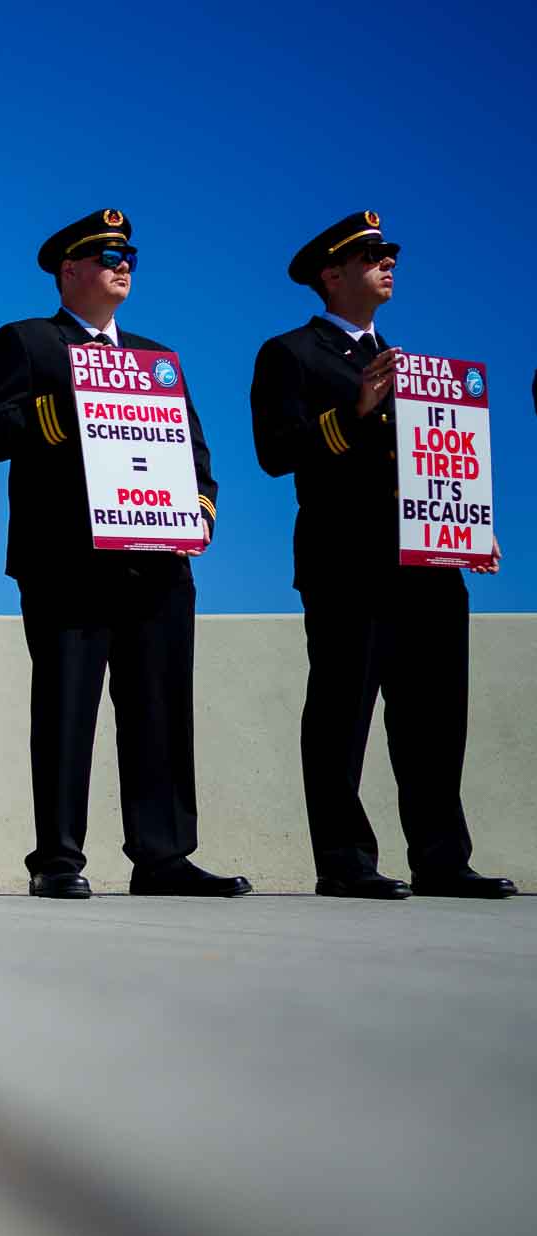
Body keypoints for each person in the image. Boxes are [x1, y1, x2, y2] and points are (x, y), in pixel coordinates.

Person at [0, 209, 246, 900]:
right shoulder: (30, 341)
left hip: (156, 562)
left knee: (160, 711)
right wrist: (64, 410)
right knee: (67, 711)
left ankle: (164, 857)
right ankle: (58, 860)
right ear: (69, 270)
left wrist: (198, 512)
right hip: (67, 561)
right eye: (107, 254)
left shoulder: (155, 359)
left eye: (129, 256)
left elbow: (194, 451)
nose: (123, 264)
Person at [251, 211, 513, 899]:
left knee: (435, 716)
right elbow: (276, 452)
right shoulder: (291, 354)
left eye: (389, 252)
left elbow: (436, 462)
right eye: (371, 254)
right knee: (342, 714)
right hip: (348, 565)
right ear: (331, 273)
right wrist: (354, 412)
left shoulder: (417, 368)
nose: (387, 261)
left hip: (427, 568)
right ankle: (344, 860)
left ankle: (442, 857)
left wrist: (466, 522)